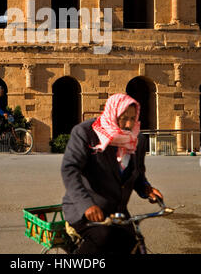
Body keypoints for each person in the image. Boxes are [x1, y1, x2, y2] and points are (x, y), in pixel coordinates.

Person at [61, 93, 163, 255]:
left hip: (117, 212)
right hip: (84, 211)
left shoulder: (138, 139)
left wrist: (146, 189)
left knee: (132, 243)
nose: (128, 124)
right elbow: (70, 169)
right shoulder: (86, 133)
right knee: (103, 238)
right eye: (123, 118)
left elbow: (137, 174)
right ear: (112, 113)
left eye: (132, 118)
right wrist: (86, 205)